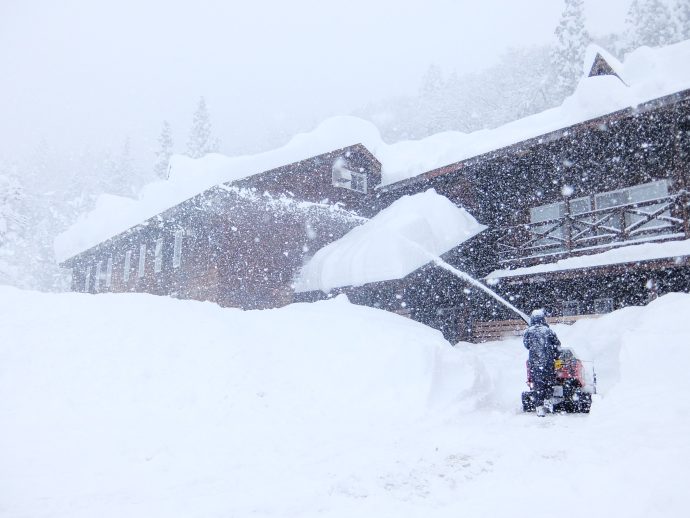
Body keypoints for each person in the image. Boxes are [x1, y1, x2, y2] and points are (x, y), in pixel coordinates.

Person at [523, 309, 561, 417]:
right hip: (548, 362)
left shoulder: (528, 332)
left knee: (538, 385)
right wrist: (556, 356)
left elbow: (527, 346)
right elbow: (557, 344)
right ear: (542, 319)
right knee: (549, 382)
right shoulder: (548, 331)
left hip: (534, 364)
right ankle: (548, 400)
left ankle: (539, 408)